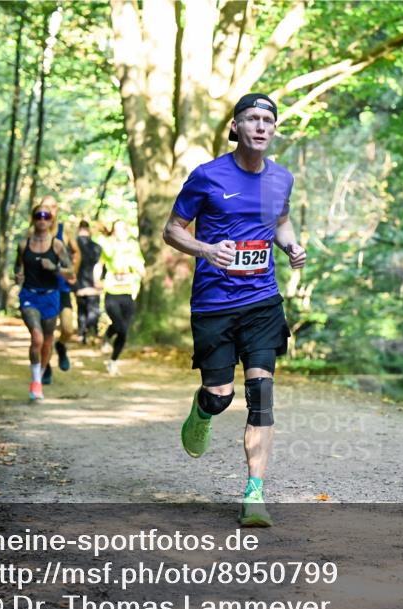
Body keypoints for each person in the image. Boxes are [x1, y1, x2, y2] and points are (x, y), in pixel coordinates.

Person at [162, 93, 306, 527]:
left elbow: (279, 221)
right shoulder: (207, 177)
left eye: (268, 120)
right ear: (236, 128)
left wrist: (291, 245)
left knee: (261, 396)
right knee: (222, 396)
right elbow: (172, 230)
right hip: (214, 304)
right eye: (252, 119)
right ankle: (203, 408)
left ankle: (254, 493)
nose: (261, 127)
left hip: (262, 301)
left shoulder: (281, 179)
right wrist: (206, 248)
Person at [14, 203, 74, 401]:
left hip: (51, 296)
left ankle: (38, 378)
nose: (42, 219)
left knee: (47, 342)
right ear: (33, 218)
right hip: (29, 296)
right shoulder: (24, 244)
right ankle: (35, 382)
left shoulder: (57, 246)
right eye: (38, 215)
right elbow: (18, 267)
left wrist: (55, 268)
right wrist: (18, 276)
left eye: (46, 216)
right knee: (37, 338)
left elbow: (71, 272)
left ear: (51, 220)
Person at [36, 195, 80, 384]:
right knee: (44, 333)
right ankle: (45, 369)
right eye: (46, 207)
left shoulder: (64, 230)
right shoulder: (34, 231)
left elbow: (77, 252)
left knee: (68, 329)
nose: (50, 210)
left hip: (61, 288)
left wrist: (72, 273)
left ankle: (61, 346)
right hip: (40, 289)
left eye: (53, 207)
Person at [96, 221, 145, 375]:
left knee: (124, 331)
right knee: (119, 325)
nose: (120, 232)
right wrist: (96, 280)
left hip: (128, 292)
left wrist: (142, 272)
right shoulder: (108, 246)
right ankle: (106, 337)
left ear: (127, 230)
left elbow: (140, 265)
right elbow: (99, 265)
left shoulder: (133, 247)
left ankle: (113, 361)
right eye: (116, 229)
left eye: (122, 229)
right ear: (113, 232)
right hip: (111, 292)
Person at [74, 220, 103, 344]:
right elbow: (101, 266)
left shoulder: (73, 246)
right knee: (93, 310)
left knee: (81, 310)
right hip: (93, 284)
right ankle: (92, 332)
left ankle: (82, 334)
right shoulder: (97, 247)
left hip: (78, 283)